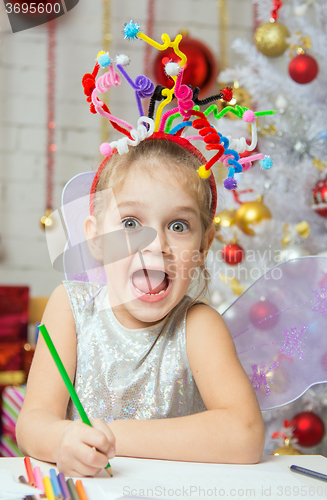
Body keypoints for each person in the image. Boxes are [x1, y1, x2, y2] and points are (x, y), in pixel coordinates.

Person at [16, 26, 269, 476]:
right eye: (130, 223)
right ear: (95, 236)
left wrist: (113, 435)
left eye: (178, 225)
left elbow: (245, 435)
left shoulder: (197, 326)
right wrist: (63, 439)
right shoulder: (70, 309)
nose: (155, 244)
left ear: (204, 245)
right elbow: (32, 423)